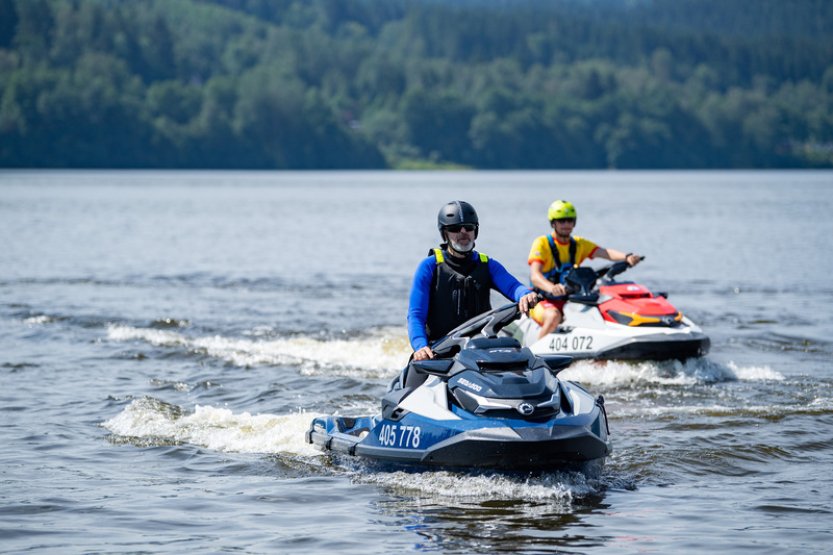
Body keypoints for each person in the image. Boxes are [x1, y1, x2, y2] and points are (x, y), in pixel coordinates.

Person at [408, 200, 538, 361]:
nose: (463, 232)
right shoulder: (429, 266)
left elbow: (513, 287)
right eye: (455, 228)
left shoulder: (488, 264)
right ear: (445, 234)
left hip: (480, 349)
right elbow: (416, 315)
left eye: (469, 228)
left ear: (475, 231)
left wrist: (525, 294)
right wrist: (421, 346)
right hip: (439, 351)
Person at [528, 200, 642, 340]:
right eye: (561, 221)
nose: (566, 225)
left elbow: (604, 253)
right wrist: (552, 288)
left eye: (570, 221)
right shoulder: (542, 244)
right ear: (553, 223)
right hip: (541, 299)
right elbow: (535, 276)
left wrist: (626, 257)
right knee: (553, 316)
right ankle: (534, 355)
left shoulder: (579, 244)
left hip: (570, 298)